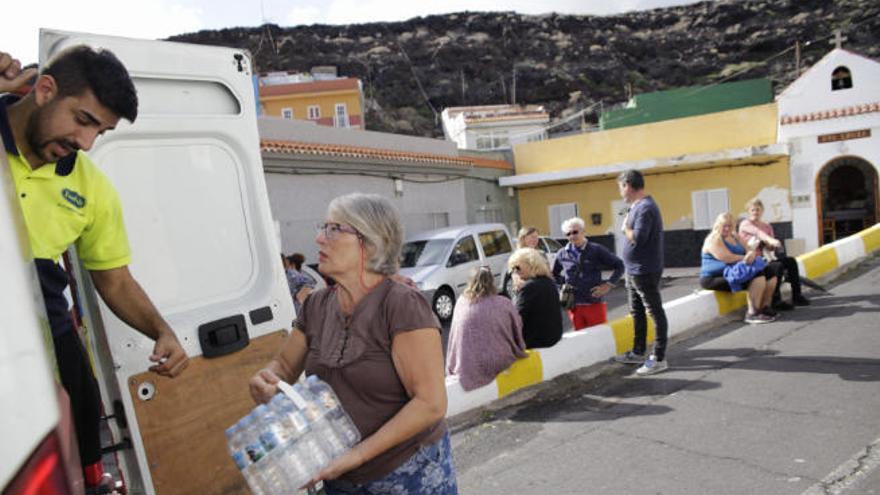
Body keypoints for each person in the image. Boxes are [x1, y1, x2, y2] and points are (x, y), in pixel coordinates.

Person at [1, 48, 189, 486]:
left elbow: (115, 278)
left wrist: (160, 329)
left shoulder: (92, 188)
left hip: (42, 340)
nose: (85, 143)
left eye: (100, 131)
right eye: (83, 120)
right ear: (45, 90)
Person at [249, 193, 457, 493]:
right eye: (323, 228)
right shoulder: (316, 305)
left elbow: (431, 404)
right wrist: (268, 379)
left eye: (334, 229)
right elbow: (283, 365)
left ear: (370, 242)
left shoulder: (401, 305)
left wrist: (355, 456)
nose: (320, 238)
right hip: (338, 475)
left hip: (407, 472)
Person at [612, 170, 669, 376]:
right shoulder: (637, 207)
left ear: (628, 185)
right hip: (634, 269)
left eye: (621, 187)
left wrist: (625, 227)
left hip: (644, 270)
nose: (620, 192)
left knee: (654, 311)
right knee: (636, 311)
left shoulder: (645, 208)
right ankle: (638, 351)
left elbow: (638, 237)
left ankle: (659, 358)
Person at [446, 266, 528, 391]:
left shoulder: (461, 302)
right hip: (500, 361)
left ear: (470, 282)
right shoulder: (503, 302)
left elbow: (454, 336)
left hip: (467, 364)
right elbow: (517, 328)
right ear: (492, 282)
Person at [702, 213, 779, 323]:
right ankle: (752, 313)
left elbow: (748, 248)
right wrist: (745, 257)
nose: (727, 228)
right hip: (715, 277)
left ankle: (765, 307)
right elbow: (727, 258)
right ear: (718, 225)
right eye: (724, 225)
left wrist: (751, 254)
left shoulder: (734, 235)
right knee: (756, 275)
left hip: (736, 271)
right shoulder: (713, 239)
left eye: (729, 225)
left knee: (769, 272)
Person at [552, 217, 624, 330]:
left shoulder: (596, 249)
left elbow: (620, 266)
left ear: (583, 232)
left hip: (594, 304)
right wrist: (564, 286)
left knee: (599, 337)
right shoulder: (562, 253)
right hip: (574, 306)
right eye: (568, 234)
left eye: (575, 232)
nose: (572, 236)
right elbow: (554, 274)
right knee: (581, 340)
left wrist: (608, 285)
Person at [738, 197, 809, 308]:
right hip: (753, 259)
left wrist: (770, 245)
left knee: (791, 261)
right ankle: (775, 300)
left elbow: (771, 248)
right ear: (749, 211)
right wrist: (770, 240)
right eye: (753, 210)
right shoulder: (746, 224)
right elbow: (758, 233)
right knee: (777, 266)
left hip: (767, 257)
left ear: (762, 210)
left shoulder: (767, 226)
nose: (755, 212)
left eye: (758, 209)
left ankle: (797, 295)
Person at [508, 248, 564, 348]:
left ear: (530, 264)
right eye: (513, 269)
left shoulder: (529, 287)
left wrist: (517, 290)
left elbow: (516, 317)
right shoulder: (549, 281)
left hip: (535, 341)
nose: (515, 272)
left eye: (517, 267)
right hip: (553, 337)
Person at [502, 226, 542, 298]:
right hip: (525, 292)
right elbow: (515, 273)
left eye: (537, 237)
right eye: (532, 237)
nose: (535, 240)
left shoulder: (541, 254)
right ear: (523, 238)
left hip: (541, 292)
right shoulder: (518, 256)